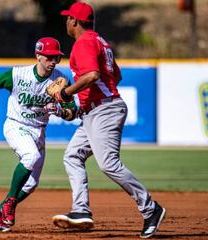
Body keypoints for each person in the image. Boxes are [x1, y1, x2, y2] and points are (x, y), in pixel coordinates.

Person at [51, 2, 166, 239]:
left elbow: (92, 75)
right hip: (97, 109)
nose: (65, 22)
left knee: (108, 164)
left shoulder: (83, 43)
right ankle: (81, 210)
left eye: (67, 18)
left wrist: (66, 93)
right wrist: (87, 102)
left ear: (75, 21)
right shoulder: (100, 40)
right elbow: (116, 74)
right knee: (72, 156)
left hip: (104, 110)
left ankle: (151, 209)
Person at [0, 37, 77, 232]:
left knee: (32, 184)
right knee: (31, 156)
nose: (53, 62)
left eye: (56, 58)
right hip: (16, 125)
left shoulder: (61, 80)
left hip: (38, 131)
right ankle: (9, 206)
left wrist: (59, 111)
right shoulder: (18, 74)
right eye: (49, 57)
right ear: (38, 56)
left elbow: (72, 112)